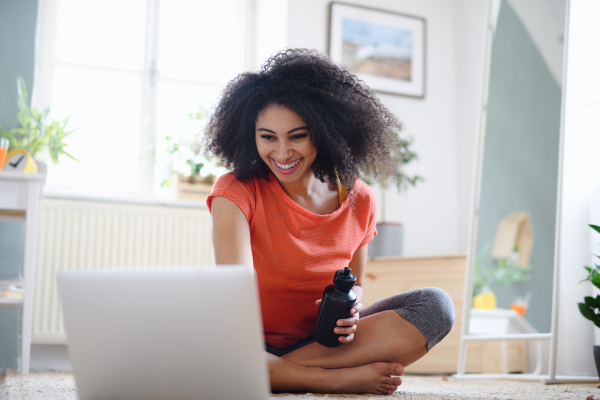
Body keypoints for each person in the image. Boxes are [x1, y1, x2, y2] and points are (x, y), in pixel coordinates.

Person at [201, 49, 455, 395]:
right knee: (203, 345)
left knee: (435, 306)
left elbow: (357, 285)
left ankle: (279, 373)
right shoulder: (235, 192)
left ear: (323, 131)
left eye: (297, 135)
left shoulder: (359, 198)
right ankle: (325, 379)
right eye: (268, 137)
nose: (282, 152)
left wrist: (353, 307)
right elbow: (235, 302)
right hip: (250, 344)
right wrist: (340, 379)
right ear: (250, 135)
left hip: (324, 345)